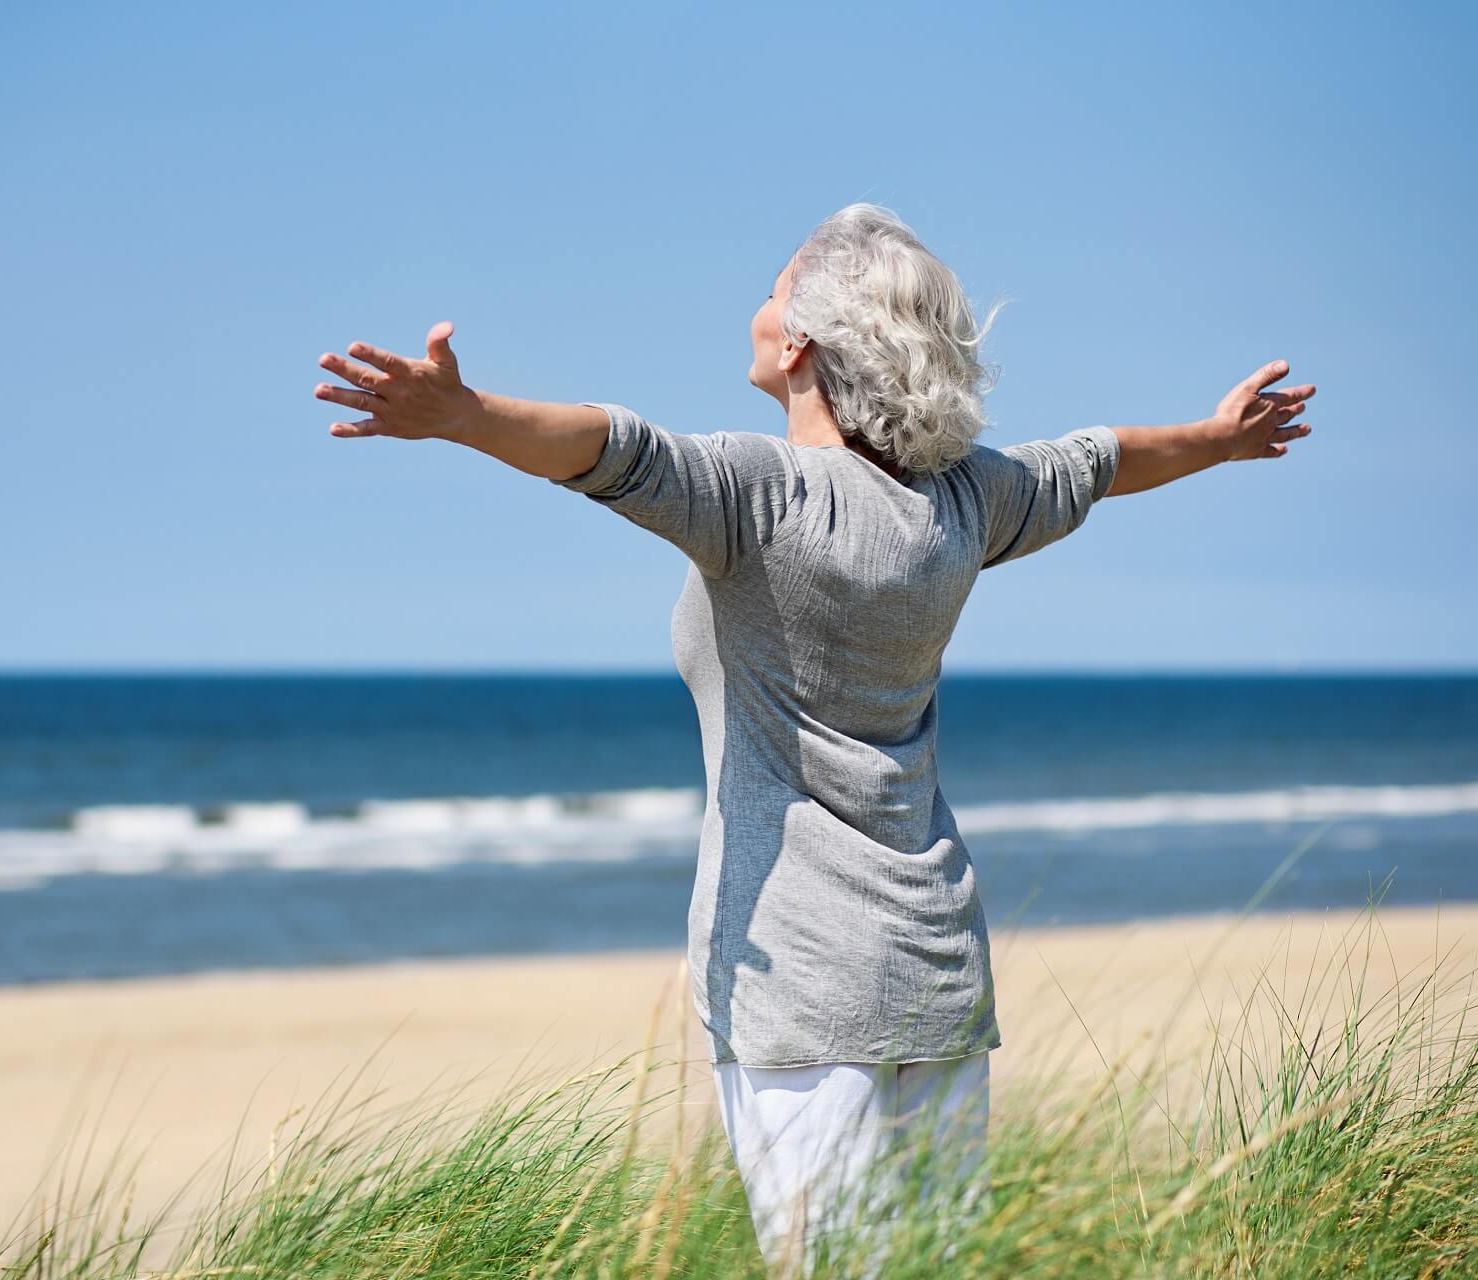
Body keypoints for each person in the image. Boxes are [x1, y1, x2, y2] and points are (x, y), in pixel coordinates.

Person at [309, 202, 1316, 1277]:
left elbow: (612, 447)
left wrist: (466, 415)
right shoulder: (964, 504)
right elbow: (1095, 462)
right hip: (937, 972)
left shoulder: (761, 497)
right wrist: (1223, 439)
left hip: (803, 987)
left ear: (800, 344)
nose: (757, 301)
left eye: (775, 285)